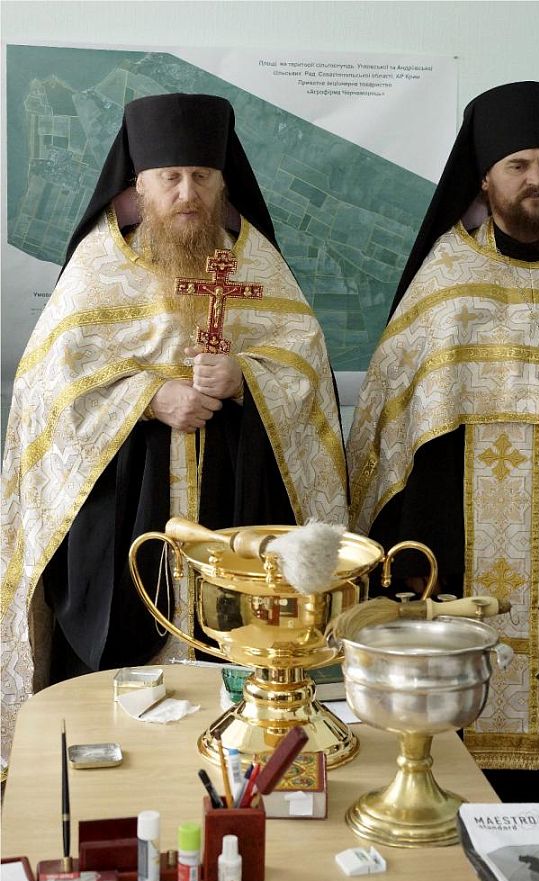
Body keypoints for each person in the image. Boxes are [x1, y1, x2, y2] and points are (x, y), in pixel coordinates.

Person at [1, 93, 348, 768]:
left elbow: (306, 378)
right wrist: (148, 397)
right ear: (139, 185)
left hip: (233, 504)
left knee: (236, 688)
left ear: (223, 183)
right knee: (114, 697)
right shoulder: (99, 266)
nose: (187, 193)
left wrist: (245, 379)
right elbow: (45, 393)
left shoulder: (258, 265)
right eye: (170, 178)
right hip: (123, 515)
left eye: (201, 177)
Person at [347, 82, 539, 802]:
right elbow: (401, 430)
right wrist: (413, 557)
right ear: (485, 178)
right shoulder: (447, 278)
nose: (535, 180)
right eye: (518, 166)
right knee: (463, 750)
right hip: (463, 549)